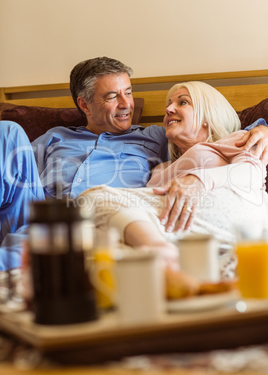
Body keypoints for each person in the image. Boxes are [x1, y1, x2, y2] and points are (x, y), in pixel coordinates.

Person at [0, 57, 268, 271]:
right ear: (85, 104)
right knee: (7, 132)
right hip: (43, 218)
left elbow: (217, 131)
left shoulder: (154, 136)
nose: (126, 104)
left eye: (128, 92)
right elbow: (15, 178)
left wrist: (262, 129)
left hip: (100, 224)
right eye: (112, 96)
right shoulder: (55, 137)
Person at [79, 81, 268, 278]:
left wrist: (198, 179)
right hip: (180, 233)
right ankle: (180, 273)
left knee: (93, 200)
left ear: (207, 116)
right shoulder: (160, 169)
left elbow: (252, 173)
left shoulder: (234, 139)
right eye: (168, 105)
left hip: (238, 219)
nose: (169, 109)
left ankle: (163, 255)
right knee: (94, 238)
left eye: (182, 102)